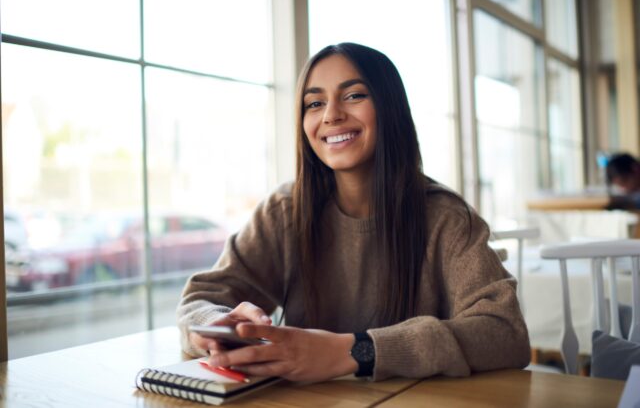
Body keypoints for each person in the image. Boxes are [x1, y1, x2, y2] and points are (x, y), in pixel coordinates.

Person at [177, 43, 530, 382]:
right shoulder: (284, 210)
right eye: (314, 103)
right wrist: (217, 325)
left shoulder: (446, 217)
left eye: (354, 95)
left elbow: (505, 333)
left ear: (390, 108)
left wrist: (354, 351)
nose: (331, 115)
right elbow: (200, 300)